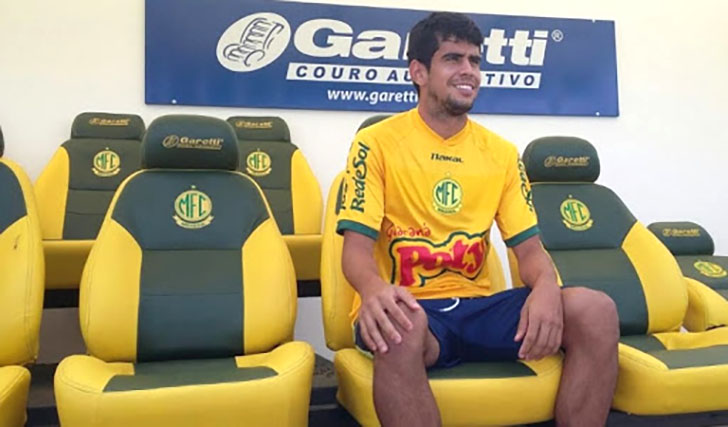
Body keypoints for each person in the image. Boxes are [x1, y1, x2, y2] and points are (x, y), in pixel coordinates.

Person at [336, 11, 620, 427]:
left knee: (595, 309)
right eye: (453, 59)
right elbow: (356, 252)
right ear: (419, 71)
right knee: (400, 326)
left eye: (475, 60)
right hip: (415, 310)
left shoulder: (502, 153)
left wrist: (544, 286)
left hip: (480, 308)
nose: (468, 71)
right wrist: (374, 288)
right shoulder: (375, 143)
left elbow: (530, 250)